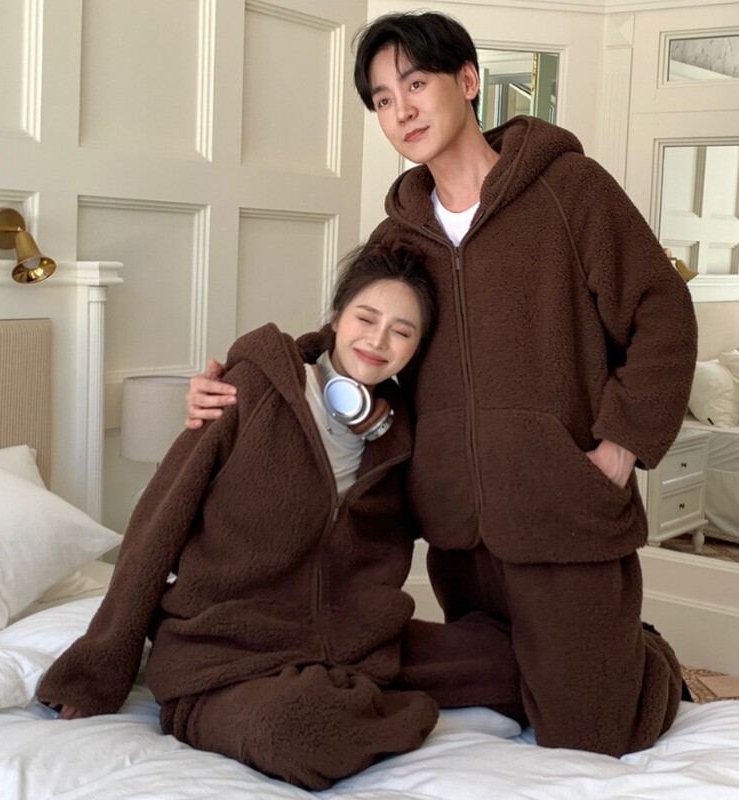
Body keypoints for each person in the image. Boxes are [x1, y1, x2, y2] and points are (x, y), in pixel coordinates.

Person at [185, 11, 698, 759]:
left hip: (563, 509)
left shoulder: (570, 190)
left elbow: (662, 314)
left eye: (416, 84)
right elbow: (354, 343)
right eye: (382, 100)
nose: (402, 111)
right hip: (456, 527)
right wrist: (245, 378)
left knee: (592, 736)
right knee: (483, 670)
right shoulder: (401, 233)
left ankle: (640, 659)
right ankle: (574, 658)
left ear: (467, 80)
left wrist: (619, 448)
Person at [37, 242, 522, 790]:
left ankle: (354, 695)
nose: (378, 341)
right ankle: (359, 708)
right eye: (366, 319)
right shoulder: (248, 391)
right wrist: (96, 670)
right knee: (302, 733)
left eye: (402, 332)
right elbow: (155, 528)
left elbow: (455, 516)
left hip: (356, 643)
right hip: (225, 656)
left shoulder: (402, 433)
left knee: (524, 664)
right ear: (335, 318)